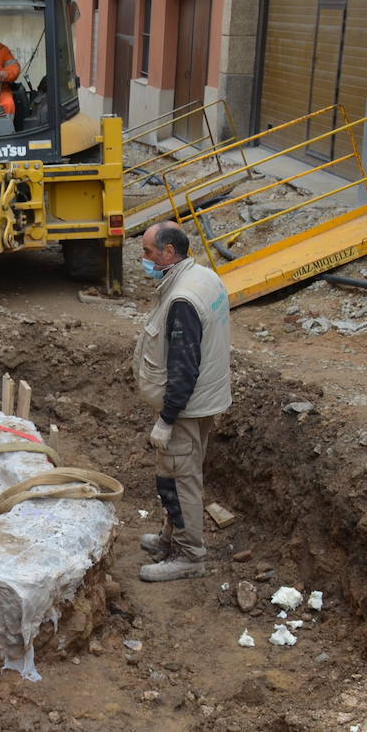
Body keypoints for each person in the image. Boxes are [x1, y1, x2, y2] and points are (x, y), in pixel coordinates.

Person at [131, 221, 232, 582]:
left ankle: (190, 556)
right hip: (206, 397)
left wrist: (167, 418)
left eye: (147, 252)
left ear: (168, 253)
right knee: (176, 473)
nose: (143, 258)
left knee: (179, 479)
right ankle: (169, 538)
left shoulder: (182, 300)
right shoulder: (202, 277)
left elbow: (183, 367)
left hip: (187, 406)